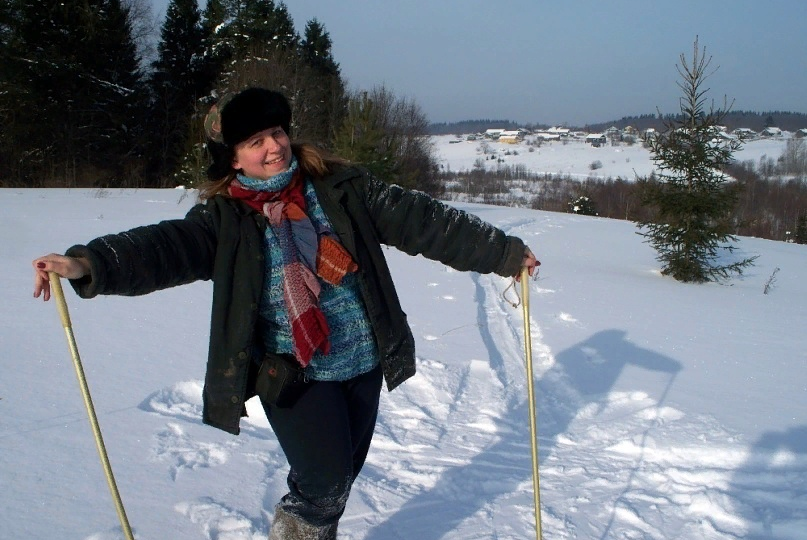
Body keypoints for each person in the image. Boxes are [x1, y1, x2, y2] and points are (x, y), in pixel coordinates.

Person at [33, 87, 539, 539]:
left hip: (363, 361)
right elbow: (162, 248)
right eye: (255, 141)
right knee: (324, 482)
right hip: (294, 371)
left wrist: (503, 253)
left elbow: (424, 221)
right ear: (233, 160)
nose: (273, 146)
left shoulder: (342, 189)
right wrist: (88, 264)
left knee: (339, 478)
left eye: (276, 132)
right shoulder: (225, 221)